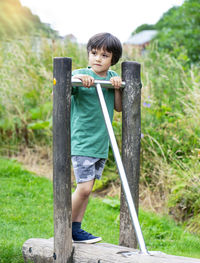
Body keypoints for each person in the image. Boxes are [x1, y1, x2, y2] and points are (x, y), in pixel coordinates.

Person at [71, 32, 122, 243]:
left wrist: (117, 87)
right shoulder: (79, 74)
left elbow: (118, 107)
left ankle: (76, 228)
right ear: (88, 54)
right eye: (94, 53)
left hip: (100, 143)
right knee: (83, 188)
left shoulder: (111, 78)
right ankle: (63, 226)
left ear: (113, 60)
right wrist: (77, 80)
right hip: (82, 140)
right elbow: (59, 91)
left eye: (104, 55)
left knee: (88, 190)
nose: (98, 58)